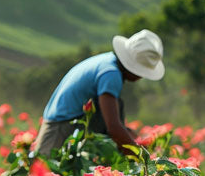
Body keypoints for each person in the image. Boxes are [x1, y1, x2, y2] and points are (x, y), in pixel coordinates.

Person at [32, 29, 165, 157]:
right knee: (45, 173)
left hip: (65, 125)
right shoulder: (111, 74)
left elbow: (115, 123)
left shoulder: (107, 61)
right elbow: (113, 128)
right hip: (61, 129)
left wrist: (133, 138)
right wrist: (143, 157)